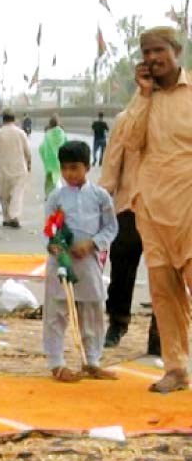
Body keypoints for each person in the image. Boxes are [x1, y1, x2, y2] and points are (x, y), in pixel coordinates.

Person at [118, 26, 192, 392]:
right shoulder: (142, 98)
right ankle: (176, 368)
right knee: (164, 294)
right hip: (152, 209)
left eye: (158, 50)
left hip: (189, 208)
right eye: (145, 52)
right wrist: (144, 95)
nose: (151, 58)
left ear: (176, 51)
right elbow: (130, 141)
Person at [43, 141, 119, 382]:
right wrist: (55, 245)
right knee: (56, 314)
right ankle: (57, 364)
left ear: (87, 167)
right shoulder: (56, 196)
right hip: (61, 265)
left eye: (74, 168)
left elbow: (110, 227)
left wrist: (92, 243)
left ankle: (92, 361)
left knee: (92, 312)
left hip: (88, 263)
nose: (68, 174)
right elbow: (49, 230)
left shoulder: (100, 196)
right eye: (64, 168)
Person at [99, 112, 161, 354]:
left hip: (168, 208)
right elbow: (112, 162)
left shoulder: (181, 113)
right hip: (129, 205)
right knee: (122, 267)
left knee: (165, 275)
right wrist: (102, 204)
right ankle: (118, 322)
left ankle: (160, 333)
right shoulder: (126, 119)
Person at [0, 109, 31, 228]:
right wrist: (29, 164)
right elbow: (27, 152)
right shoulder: (21, 133)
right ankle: (14, 217)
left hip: (3, 169)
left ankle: (7, 218)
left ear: (3, 119)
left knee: (4, 195)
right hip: (19, 168)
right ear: (14, 119)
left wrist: (0, 155)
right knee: (17, 194)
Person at [39, 115, 67, 199]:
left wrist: (43, 155)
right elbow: (66, 145)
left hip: (50, 160)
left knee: (52, 179)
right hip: (60, 159)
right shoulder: (62, 133)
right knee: (55, 177)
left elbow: (43, 147)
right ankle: (49, 195)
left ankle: (56, 194)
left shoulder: (48, 134)